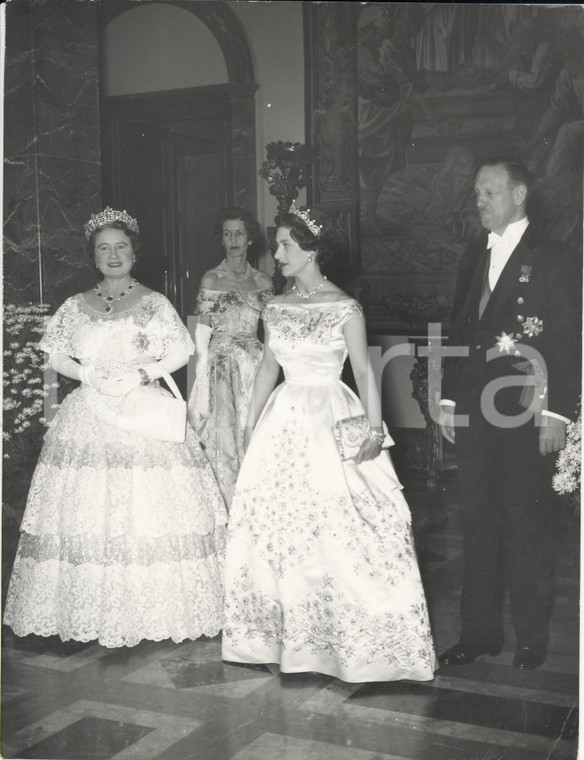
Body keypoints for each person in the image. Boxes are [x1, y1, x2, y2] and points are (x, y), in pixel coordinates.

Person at [221, 203, 436, 683]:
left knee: (344, 526)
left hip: (331, 414)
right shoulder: (274, 307)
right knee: (279, 526)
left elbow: (363, 372)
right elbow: (267, 370)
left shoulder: (345, 307)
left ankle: (352, 645)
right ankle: (278, 638)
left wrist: (374, 433)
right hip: (282, 421)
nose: (276, 253)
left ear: (313, 250)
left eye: (286, 245)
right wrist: (250, 427)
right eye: (277, 244)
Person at [4, 207, 227, 648]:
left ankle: (149, 610)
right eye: (103, 248)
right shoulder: (74, 306)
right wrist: (87, 375)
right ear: (93, 256)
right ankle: (87, 609)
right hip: (89, 412)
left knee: (146, 512)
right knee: (88, 512)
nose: (113, 255)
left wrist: (141, 376)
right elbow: (53, 354)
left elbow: (181, 350)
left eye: (120, 247)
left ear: (133, 253)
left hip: (142, 411)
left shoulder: (154, 303)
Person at [438, 158, 581, 670]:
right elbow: (460, 328)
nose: (478, 200)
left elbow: (566, 342)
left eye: (489, 192)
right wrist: (451, 399)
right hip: (477, 412)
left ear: (518, 194)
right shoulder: (474, 251)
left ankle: (531, 638)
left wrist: (558, 415)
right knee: (477, 522)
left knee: (527, 525)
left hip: (526, 408)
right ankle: (478, 634)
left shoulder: (555, 255)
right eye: (477, 192)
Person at [187, 207, 273, 508]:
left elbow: (272, 335)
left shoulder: (263, 282)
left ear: (250, 238)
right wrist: (198, 379)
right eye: (227, 233)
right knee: (223, 437)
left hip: (254, 366)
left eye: (239, 233)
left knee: (256, 430)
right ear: (221, 240)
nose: (233, 239)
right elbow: (201, 333)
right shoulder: (211, 278)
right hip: (220, 367)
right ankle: (225, 506)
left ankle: (256, 504)